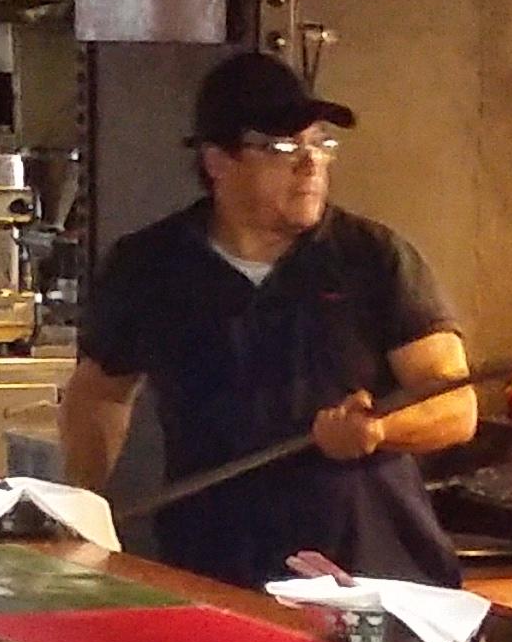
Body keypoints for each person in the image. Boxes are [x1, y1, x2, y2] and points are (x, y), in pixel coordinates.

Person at [59, 51, 477, 590]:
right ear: (218, 161)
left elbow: (455, 405)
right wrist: (80, 510)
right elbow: (99, 394)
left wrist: (379, 430)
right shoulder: (151, 265)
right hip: (214, 567)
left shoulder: (373, 257)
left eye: (320, 144)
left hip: (366, 576)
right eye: (283, 148)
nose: (310, 164)